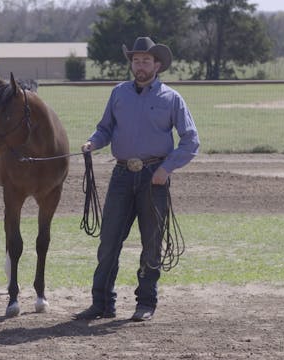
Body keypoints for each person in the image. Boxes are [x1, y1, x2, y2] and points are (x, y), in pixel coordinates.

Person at [73, 36, 200, 322]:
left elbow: (191, 140)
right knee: (108, 242)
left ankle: (146, 302)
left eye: (146, 60)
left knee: (151, 243)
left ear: (157, 65)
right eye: (136, 60)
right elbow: (105, 129)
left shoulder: (172, 98)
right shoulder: (119, 93)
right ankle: (102, 303)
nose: (140, 65)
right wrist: (93, 142)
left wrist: (166, 169)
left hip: (153, 177)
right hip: (121, 176)